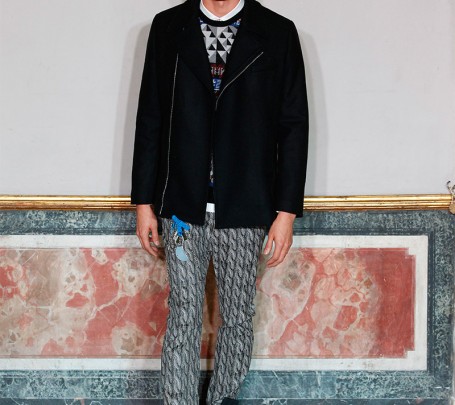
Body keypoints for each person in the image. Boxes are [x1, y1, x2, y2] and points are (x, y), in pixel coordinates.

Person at [131, 0, 309, 403]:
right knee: (183, 312)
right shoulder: (168, 26)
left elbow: (293, 126)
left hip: (246, 206)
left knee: (238, 315)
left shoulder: (277, 31)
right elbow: (150, 116)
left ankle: (223, 397)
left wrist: (286, 212)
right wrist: (143, 202)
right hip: (180, 209)